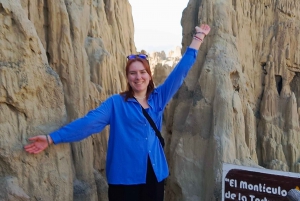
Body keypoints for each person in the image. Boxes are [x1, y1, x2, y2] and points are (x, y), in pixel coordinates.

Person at [24, 24, 211, 201]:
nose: (138, 77)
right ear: (127, 77)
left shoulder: (158, 98)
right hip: (124, 180)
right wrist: (52, 138)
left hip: (154, 176)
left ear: (149, 75)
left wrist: (198, 39)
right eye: (133, 73)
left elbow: (180, 72)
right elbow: (88, 124)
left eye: (142, 72)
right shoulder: (116, 103)